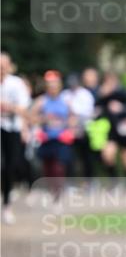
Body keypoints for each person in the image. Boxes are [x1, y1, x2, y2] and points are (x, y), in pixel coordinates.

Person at [30, 70, 76, 199]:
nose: (53, 89)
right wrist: (43, 120)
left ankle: (58, 192)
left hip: (61, 139)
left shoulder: (66, 101)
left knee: (58, 166)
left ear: (59, 86)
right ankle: (52, 190)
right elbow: (31, 117)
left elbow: (73, 118)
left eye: (55, 86)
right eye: (50, 87)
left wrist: (70, 128)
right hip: (46, 139)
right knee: (48, 168)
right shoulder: (41, 101)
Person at [1, 52, 31, 224]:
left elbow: (23, 109)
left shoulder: (17, 84)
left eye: (4, 65)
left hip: (12, 129)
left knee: (10, 166)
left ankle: (7, 204)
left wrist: (9, 107)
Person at [95, 72, 126, 178]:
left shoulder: (125, 93)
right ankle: (114, 182)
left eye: (111, 81)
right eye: (107, 81)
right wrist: (101, 97)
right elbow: (97, 111)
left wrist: (122, 108)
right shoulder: (104, 96)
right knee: (107, 156)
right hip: (112, 131)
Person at [62, 72, 96, 182]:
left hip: (84, 130)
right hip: (69, 130)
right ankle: (69, 182)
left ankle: (89, 182)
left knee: (86, 158)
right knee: (69, 158)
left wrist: (73, 110)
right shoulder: (65, 94)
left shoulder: (85, 94)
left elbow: (88, 112)